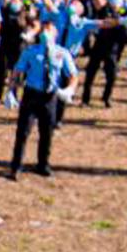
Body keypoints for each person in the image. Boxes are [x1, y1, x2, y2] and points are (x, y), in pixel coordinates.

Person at [6, 16, 76, 180]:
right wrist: (10, 91)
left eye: (50, 30)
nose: (46, 33)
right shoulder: (30, 52)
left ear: (56, 34)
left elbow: (73, 74)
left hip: (50, 96)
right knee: (23, 132)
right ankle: (16, 166)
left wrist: (70, 89)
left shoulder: (62, 53)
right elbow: (17, 72)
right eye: (45, 29)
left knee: (47, 132)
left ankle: (43, 164)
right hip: (31, 94)